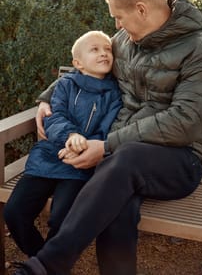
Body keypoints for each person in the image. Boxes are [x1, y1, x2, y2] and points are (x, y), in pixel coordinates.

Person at [13, 0, 202, 275]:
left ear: (141, 9)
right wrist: (49, 95)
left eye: (118, 16)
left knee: (123, 157)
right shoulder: (125, 41)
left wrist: (107, 145)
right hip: (122, 163)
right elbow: (91, 69)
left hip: (180, 161)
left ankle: (48, 264)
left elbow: (185, 122)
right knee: (119, 205)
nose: (116, 24)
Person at [4, 30, 122, 258]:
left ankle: (44, 267)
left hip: (82, 165)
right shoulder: (64, 86)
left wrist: (87, 145)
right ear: (78, 63)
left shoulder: (115, 95)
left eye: (108, 49)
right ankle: (44, 263)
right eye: (95, 49)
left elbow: (109, 129)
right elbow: (54, 116)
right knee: (14, 213)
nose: (104, 53)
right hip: (48, 158)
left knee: (61, 218)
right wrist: (70, 136)